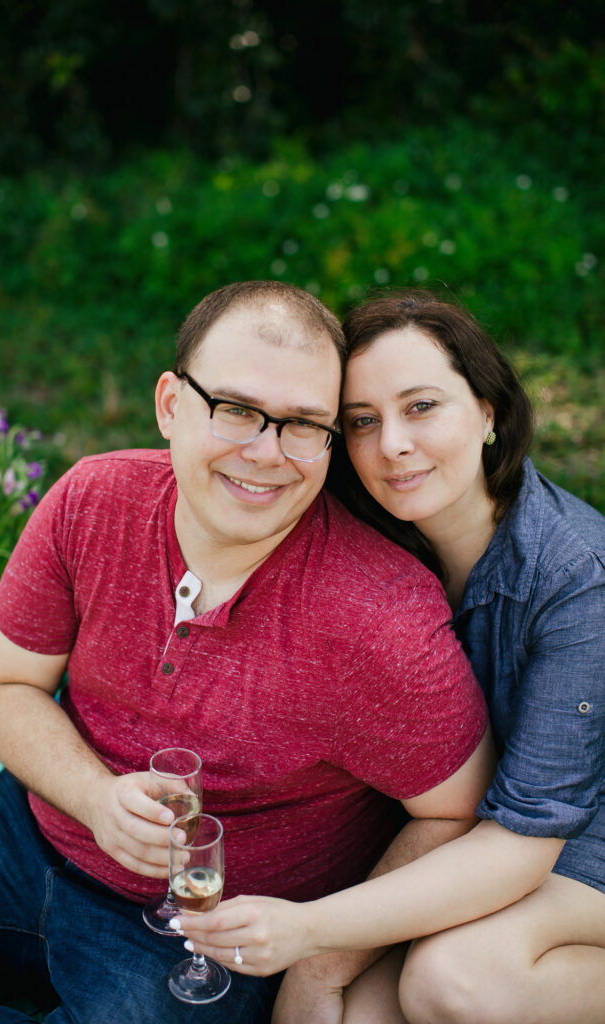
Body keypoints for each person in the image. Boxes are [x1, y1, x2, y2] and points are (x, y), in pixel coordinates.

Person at [0, 282, 493, 1024]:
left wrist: (323, 956)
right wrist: (96, 799)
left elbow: (459, 818)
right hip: (29, 834)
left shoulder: (377, 620)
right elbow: (4, 684)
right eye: (235, 410)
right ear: (170, 404)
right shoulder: (91, 501)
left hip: (207, 936)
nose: (265, 454)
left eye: (302, 425)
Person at [177, 289, 605, 1024]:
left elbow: (532, 828)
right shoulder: (366, 540)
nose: (392, 446)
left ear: (490, 411)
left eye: (422, 407)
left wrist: (313, 946)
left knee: (455, 983)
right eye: (363, 422)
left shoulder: (577, 577)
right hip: (476, 830)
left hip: (570, 832)